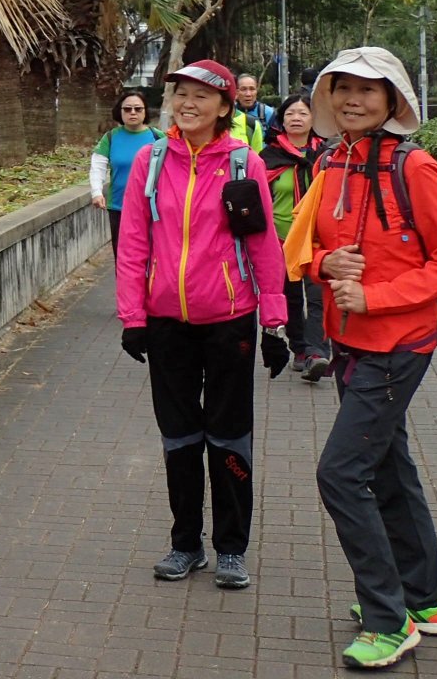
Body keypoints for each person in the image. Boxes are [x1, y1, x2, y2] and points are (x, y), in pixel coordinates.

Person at [284, 47, 437, 668]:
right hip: (349, 342)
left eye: (368, 88)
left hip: (397, 345)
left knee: (340, 474)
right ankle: (427, 602)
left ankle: (388, 619)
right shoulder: (332, 161)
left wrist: (376, 296)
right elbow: (305, 246)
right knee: (387, 467)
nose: (353, 99)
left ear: (392, 99)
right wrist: (325, 264)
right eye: (342, 88)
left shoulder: (416, 167)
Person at [116, 60, 288, 591]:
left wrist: (274, 321)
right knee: (180, 436)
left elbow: (262, 242)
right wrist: (133, 316)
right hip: (166, 322)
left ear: (224, 106)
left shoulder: (242, 163)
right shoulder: (151, 160)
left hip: (230, 322)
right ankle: (185, 543)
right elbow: (133, 242)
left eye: (201, 96)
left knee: (229, 437)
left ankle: (231, 548)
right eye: (181, 94)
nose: (187, 104)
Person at [260, 92, 329, 380]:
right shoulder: (268, 157)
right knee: (290, 300)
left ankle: (316, 353)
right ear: (281, 120)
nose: (296, 118)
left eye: (303, 113)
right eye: (290, 114)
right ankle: (299, 349)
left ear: (314, 119)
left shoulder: (328, 155)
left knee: (318, 298)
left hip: (317, 239)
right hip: (281, 240)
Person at [88, 91, 162, 258]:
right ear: (120, 112)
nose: (133, 112)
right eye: (127, 109)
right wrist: (96, 192)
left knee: (154, 256)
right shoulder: (110, 138)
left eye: (138, 109)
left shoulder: (159, 137)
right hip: (119, 207)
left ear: (145, 111)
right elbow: (97, 166)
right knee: (124, 257)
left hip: (153, 208)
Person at [236, 73, 276, 143]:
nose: (248, 94)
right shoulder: (229, 113)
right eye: (243, 89)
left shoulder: (268, 113)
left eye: (252, 89)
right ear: (236, 92)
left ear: (256, 91)